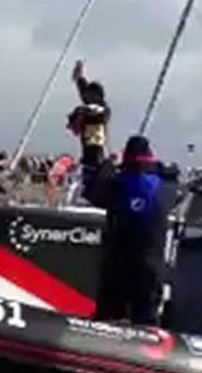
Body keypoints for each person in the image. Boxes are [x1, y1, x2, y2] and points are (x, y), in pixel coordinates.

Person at [91, 135, 171, 326]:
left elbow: (94, 194)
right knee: (146, 317)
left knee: (108, 317)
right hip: (150, 266)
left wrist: (108, 166)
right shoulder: (166, 185)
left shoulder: (118, 184)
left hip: (118, 264)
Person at [66, 60, 111, 203]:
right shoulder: (89, 105)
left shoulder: (102, 110)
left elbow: (94, 109)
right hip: (88, 152)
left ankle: (93, 196)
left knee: (93, 168)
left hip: (97, 154)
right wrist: (79, 76)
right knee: (86, 168)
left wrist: (79, 113)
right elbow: (83, 91)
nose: (86, 99)